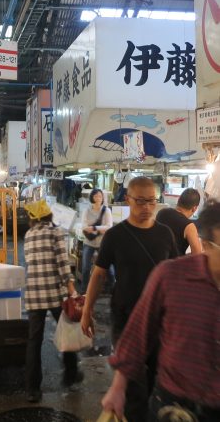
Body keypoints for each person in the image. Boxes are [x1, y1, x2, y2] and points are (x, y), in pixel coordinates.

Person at [101, 200, 220, 422]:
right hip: (175, 406)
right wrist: (118, 388)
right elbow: (138, 333)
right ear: (207, 245)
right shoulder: (171, 276)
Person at [80, 176, 178, 422]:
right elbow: (99, 274)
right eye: (140, 202)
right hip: (125, 317)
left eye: (151, 202)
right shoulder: (115, 235)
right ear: (128, 199)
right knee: (132, 382)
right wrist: (86, 310)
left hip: (160, 320)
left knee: (158, 378)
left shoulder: (165, 234)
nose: (146, 208)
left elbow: (176, 275)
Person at [23, 199, 81, 403]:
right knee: (66, 331)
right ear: (48, 215)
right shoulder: (55, 233)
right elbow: (63, 263)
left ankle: (32, 389)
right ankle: (71, 375)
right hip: (54, 293)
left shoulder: (29, 235)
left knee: (34, 342)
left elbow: (30, 261)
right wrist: (72, 288)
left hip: (33, 294)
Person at [81, 188, 113, 293]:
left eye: (100, 196)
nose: (98, 198)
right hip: (88, 243)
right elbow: (84, 226)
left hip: (102, 243)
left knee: (109, 268)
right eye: (96, 196)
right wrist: (101, 228)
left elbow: (109, 226)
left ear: (103, 197)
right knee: (85, 268)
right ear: (92, 197)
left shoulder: (106, 210)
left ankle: (111, 288)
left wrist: (94, 228)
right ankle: (84, 291)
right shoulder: (86, 210)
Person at [156, 187, 202, 255]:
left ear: (178, 200)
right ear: (194, 208)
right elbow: (197, 254)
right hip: (174, 264)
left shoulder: (161, 212)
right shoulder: (189, 226)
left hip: (155, 262)